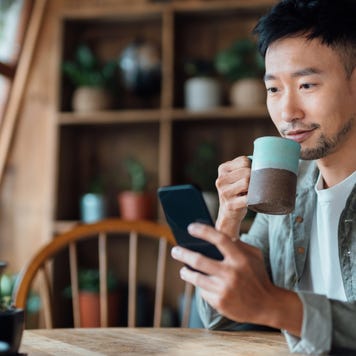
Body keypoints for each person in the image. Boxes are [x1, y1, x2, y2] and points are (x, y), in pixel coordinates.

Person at [171, 0, 356, 354]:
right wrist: (229, 218)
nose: (287, 112)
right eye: (273, 89)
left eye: (307, 85)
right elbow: (220, 317)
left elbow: (264, 304)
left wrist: (275, 305)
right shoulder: (292, 186)